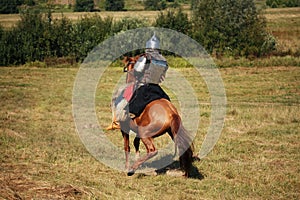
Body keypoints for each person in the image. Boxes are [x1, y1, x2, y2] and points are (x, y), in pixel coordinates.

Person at [114, 33, 170, 122]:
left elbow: (137, 70)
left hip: (144, 87)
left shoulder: (146, 57)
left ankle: (121, 119)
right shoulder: (163, 60)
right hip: (157, 88)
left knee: (128, 104)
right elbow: (162, 74)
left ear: (148, 47)